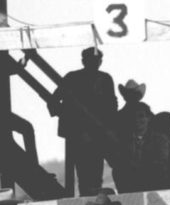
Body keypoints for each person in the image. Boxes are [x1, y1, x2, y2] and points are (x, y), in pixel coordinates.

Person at [48, 47, 118, 195]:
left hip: (98, 135)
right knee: (85, 177)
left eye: (97, 60)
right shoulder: (72, 78)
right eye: (91, 60)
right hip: (78, 137)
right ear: (84, 61)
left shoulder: (104, 79)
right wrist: (70, 119)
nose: (95, 63)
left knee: (94, 177)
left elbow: (112, 106)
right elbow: (53, 102)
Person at [113, 104, 170, 192]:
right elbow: (119, 167)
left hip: (156, 187)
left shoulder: (160, 139)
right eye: (133, 117)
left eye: (141, 116)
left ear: (148, 118)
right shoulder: (123, 142)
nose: (137, 120)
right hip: (130, 188)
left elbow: (161, 165)